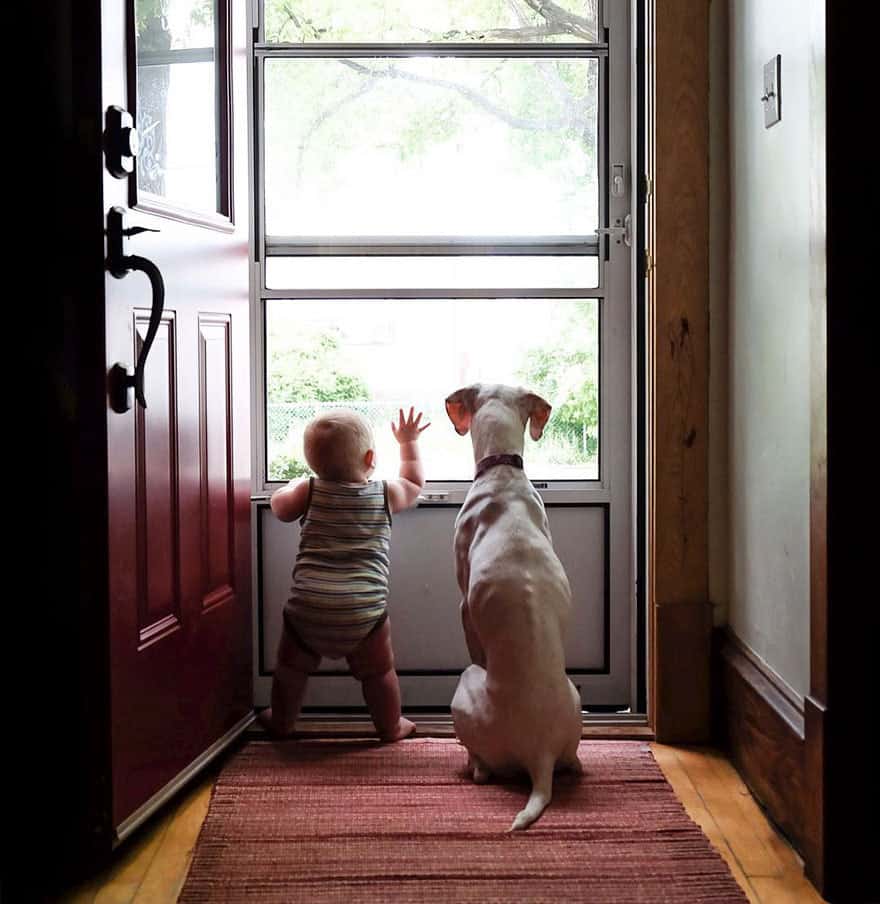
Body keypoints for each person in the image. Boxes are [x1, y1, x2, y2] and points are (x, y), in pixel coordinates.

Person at [260, 407, 430, 741]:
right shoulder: (383, 493)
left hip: (308, 607)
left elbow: (279, 508)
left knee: (290, 671)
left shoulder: (308, 491)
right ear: (370, 457)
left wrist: (291, 486)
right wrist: (408, 443)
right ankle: (390, 726)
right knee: (379, 673)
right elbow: (412, 482)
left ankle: (282, 720)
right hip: (363, 610)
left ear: (312, 464)